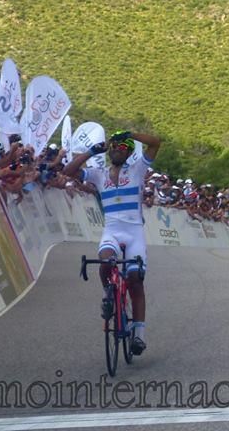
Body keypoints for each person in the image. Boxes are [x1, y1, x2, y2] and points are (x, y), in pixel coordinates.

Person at [62, 129, 160, 356]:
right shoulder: (99, 174)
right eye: (114, 146)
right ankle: (109, 295)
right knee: (106, 262)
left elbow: (155, 143)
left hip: (134, 232)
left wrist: (131, 134)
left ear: (129, 153)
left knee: (135, 281)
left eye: (122, 147)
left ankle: (139, 335)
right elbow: (68, 171)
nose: (117, 149)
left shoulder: (137, 169)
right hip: (112, 232)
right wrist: (91, 151)